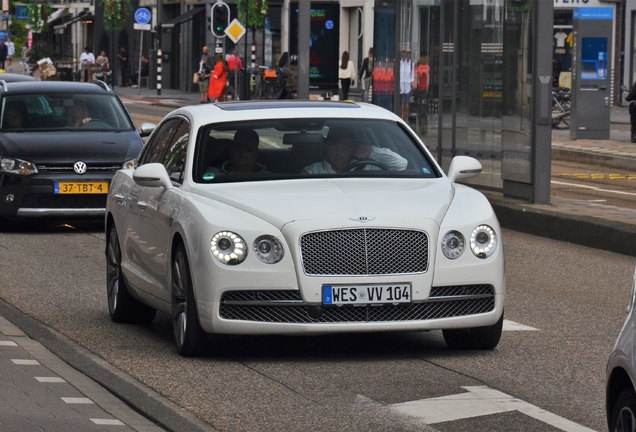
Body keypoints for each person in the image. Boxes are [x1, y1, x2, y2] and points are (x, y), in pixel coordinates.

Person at [302, 126, 407, 174]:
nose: (339, 154)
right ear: (326, 148)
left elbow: (401, 165)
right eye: (334, 148)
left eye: (344, 149)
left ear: (352, 149)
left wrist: (372, 152)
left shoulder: (369, 167)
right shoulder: (312, 171)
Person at [414, 56, 430, 133]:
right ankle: (422, 126)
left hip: (419, 90)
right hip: (423, 90)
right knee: (423, 108)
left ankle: (421, 124)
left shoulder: (418, 68)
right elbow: (426, 77)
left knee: (420, 107)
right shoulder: (425, 68)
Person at [400, 47, 415, 121]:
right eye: (404, 52)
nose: (406, 54)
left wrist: (413, 83)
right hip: (401, 86)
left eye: (409, 53)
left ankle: (405, 119)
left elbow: (412, 76)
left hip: (408, 86)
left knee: (407, 104)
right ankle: (402, 118)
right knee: (401, 104)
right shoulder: (400, 63)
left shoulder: (411, 64)